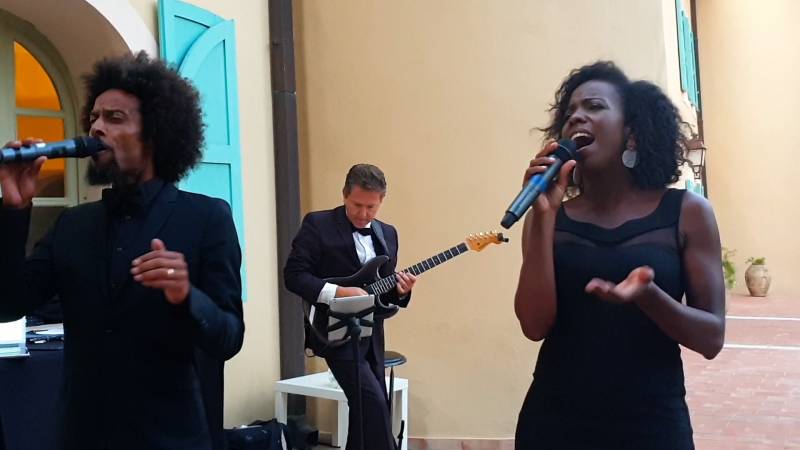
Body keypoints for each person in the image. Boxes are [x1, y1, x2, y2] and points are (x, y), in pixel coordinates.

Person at [0, 52, 244, 450]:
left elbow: (229, 337)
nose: (97, 127)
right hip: (81, 437)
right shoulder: (73, 224)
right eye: (94, 117)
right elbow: (8, 305)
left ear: (156, 133)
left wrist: (186, 297)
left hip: (170, 438)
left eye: (115, 118)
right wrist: (14, 210)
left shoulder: (206, 218)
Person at [513, 61, 725, 449]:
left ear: (631, 131)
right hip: (554, 422)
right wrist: (542, 216)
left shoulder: (687, 213)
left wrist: (650, 298)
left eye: (594, 106)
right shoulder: (549, 216)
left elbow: (711, 337)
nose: (577, 115)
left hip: (651, 423)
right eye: (571, 111)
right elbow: (534, 325)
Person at [284, 164, 417, 450]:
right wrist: (339, 291)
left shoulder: (388, 234)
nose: (363, 213)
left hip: (372, 334)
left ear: (382, 200)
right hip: (332, 330)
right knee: (374, 404)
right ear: (345, 195)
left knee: (363, 408)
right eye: (357, 205)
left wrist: (401, 292)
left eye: (371, 207)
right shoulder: (317, 224)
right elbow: (293, 276)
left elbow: (384, 293)